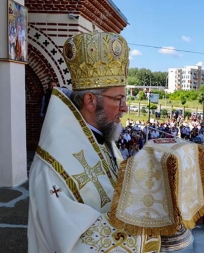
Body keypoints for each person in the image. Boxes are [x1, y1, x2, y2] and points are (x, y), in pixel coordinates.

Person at [28, 33, 169, 252]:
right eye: (118, 99)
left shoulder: (105, 140)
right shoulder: (52, 168)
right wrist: (145, 237)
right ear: (90, 101)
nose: (125, 108)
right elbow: (77, 245)